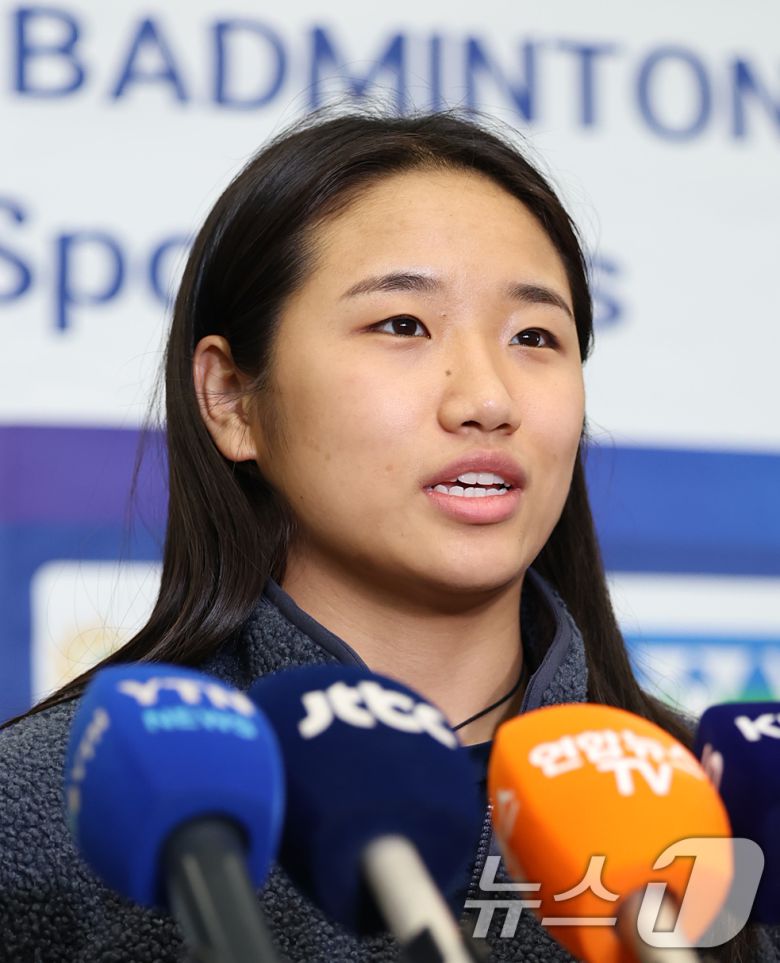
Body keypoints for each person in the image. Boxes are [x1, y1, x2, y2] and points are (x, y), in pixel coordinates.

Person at [0, 110, 774, 962]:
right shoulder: (52, 817)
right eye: (403, 324)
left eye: (534, 336)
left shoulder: (722, 816)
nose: (487, 398)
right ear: (230, 398)